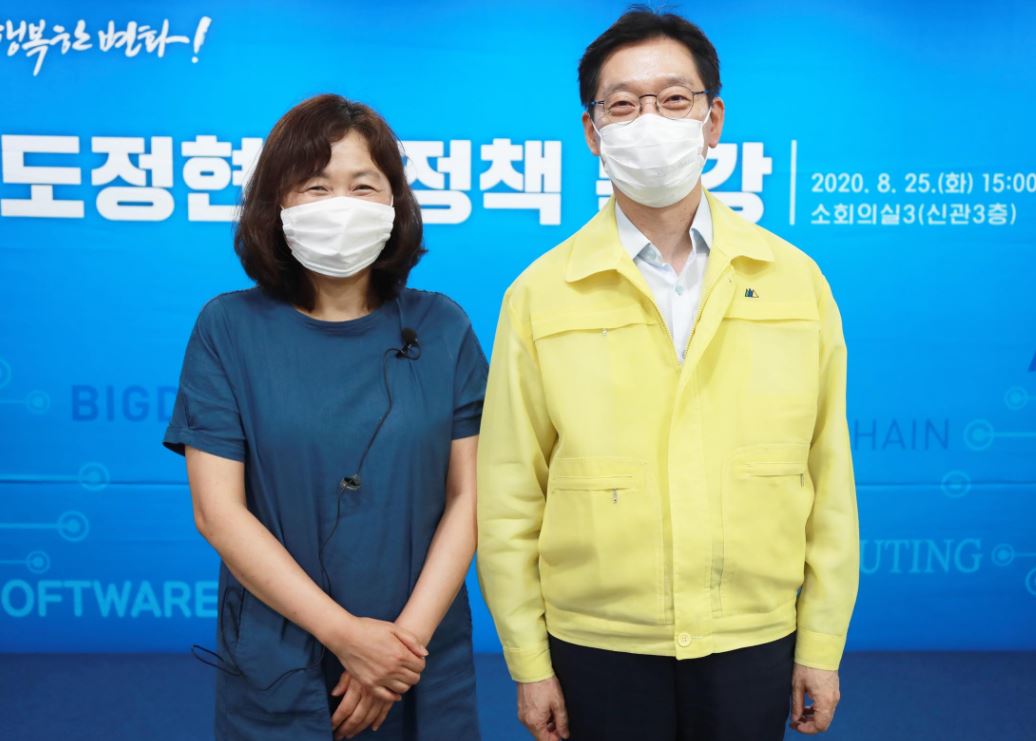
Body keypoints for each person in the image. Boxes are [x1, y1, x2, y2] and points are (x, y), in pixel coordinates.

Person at [476, 9, 859, 741]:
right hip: (598, 643)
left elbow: (829, 476)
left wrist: (821, 642)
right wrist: (527, 658)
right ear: (592, 132)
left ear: (713, 120)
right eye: (623, 104)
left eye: (675, 99)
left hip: (753, 635)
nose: (649, 120)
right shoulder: (541, 293)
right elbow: (509, 493)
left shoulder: (794, 281)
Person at [163, 93, 487, 740]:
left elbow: (471, 495)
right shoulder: (228, 328)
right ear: (276, 204)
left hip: (417, 653)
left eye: (363, 185)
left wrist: (398, 652)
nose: (341, 205)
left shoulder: (441, 325)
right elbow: (218, 513)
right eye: (315, 186)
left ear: (395, 202)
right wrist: (346, 637)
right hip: (281, 653)